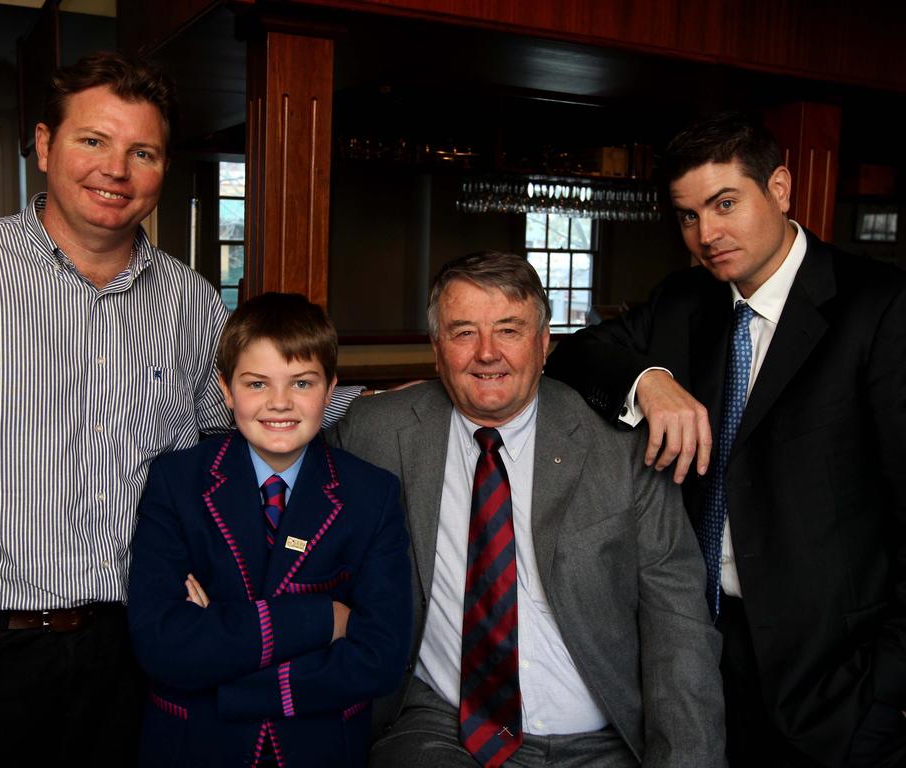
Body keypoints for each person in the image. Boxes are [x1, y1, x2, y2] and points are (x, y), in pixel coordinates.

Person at [0, 52, 358, 766]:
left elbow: (234, 448)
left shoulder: (191, 301)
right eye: (93, 141)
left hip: (143, 650)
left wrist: (369, 403)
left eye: (143, 151)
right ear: (45, 145)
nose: (117, 170)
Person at [543, 111, 906, 767]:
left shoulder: (880, 307)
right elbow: (575, 356)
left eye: (724, 203)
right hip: (703, 657)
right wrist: (648, 380)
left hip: (836, 682)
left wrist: (887, 695)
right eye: (687, 216)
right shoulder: (688, 301)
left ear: (782, 188)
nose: (706, 235)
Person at [332, 251, 725, 768]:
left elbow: (678, 625)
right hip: (442, 729)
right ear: (436, 348)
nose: (487, 353)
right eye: (463, 332)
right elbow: (275, 453)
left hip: (599, 740)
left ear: (544, 346)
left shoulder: (623, 450)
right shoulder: (376, 431)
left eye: (510, 331)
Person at [126, 291, 412, 768]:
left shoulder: (371, 494)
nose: (279, 404)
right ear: (226, 389)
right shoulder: (177, 482)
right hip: (194, 746)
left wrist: (221, 653)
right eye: (256, 384)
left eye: (302, 383)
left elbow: (380, 658)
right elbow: (164, 646)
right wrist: (325, 619)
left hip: (317, 747)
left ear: (331, 386)